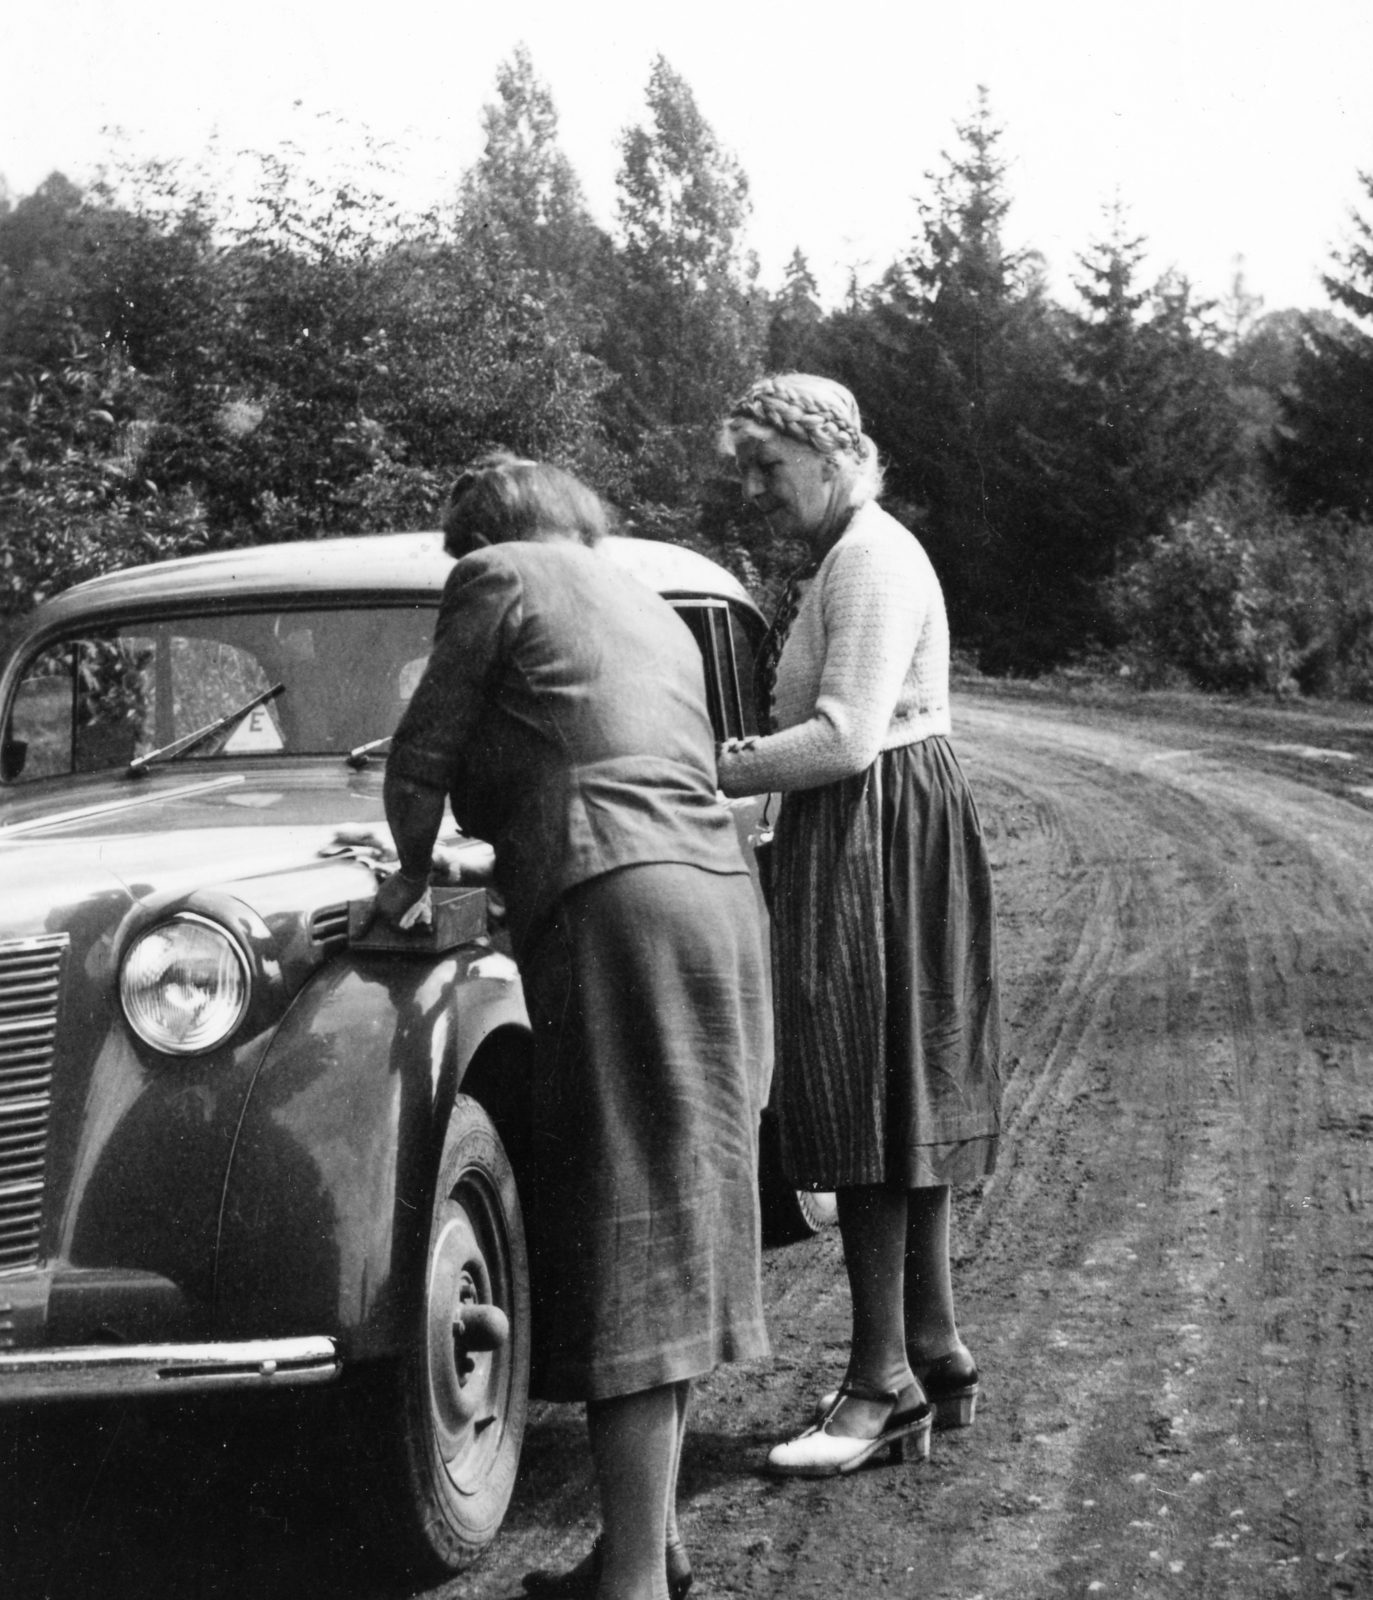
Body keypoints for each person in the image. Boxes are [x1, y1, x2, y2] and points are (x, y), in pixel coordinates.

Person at [372, 456, 769, 1600]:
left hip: (620, 903)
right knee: (682, 1216)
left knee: (627, 1223)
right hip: (718, 902)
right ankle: (648, 1549)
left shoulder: (497, 572)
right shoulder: (639, 599)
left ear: (481, 533)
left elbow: (424, 753)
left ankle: (631, 1586)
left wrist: (403, 873)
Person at [715, 375, 1001, 1478]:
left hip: (879, 823)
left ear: (829, 456)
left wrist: (704, 769)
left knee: (869, 1104)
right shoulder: (845, 555)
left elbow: (839, 737)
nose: (753, 488)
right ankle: (930, 1347)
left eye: (765, 465)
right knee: (891, 1097)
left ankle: (877, 1383)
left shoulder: (872, 556)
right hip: (873, 824)